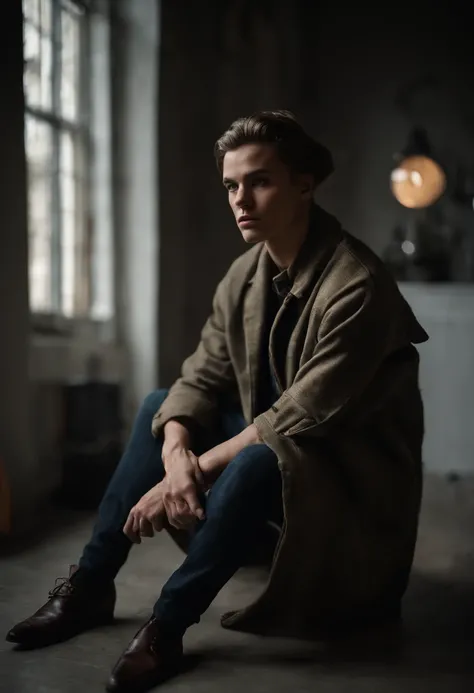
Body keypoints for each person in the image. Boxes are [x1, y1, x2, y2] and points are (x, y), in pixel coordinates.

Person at [6, 110, 429, 692]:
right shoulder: (244, 274)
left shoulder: (355, 285)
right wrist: (178, 458)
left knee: (261, 452)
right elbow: (199, 377)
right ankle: (90, 586)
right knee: (163, 405)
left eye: (260, 181)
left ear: (304, 183)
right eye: (232, 185)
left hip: (346, 487)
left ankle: (167, 625)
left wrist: (190, 472)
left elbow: (295, 417)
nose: (241, 199)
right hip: (274, 463)